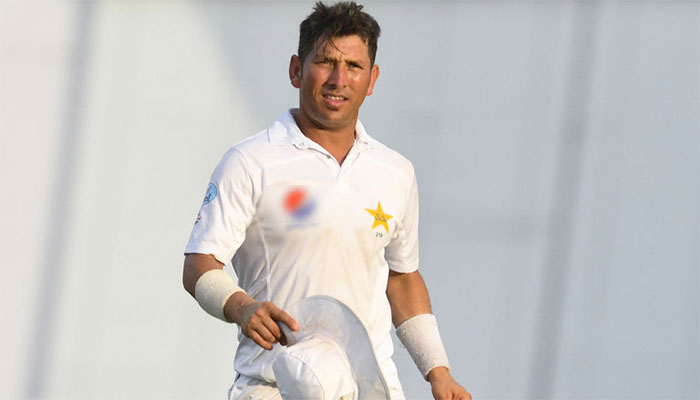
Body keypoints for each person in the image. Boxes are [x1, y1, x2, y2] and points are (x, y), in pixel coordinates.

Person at [182, 2, 471, 399]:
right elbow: (199, 264)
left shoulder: (395, 171)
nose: (339, 79)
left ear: (372, 79)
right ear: (296, 70)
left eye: (353, 66)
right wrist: (240, 306)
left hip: (369, 390)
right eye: (325, 62)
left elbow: (402, 279)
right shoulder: (250, 161)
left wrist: (438, 371)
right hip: (273, 387)